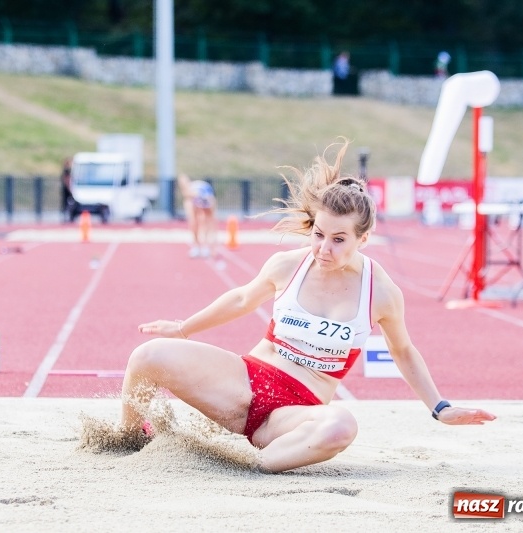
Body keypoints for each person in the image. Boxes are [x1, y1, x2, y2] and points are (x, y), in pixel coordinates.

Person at [119, 141, 496, 473]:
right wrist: (183, 328)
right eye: (318, 234)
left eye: (338, 240)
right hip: (244, 384)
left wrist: (440, 407)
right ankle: (128, 439)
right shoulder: (289, 264)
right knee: (147, 356)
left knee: (341, 426)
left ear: (363, 239)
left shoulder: (380, 293)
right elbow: (241, 299)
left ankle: (251, 465)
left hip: (295, 414)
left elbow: (404, 352)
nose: (323, 249)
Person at [177, 173, 216, 258]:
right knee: (194, 222)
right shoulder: (188, 197)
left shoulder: (201, 193)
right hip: (198, 198)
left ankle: (206, 246)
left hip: (205, 197)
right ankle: (197, 246)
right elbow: (193, 220)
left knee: (206, 222)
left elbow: (209, 219)